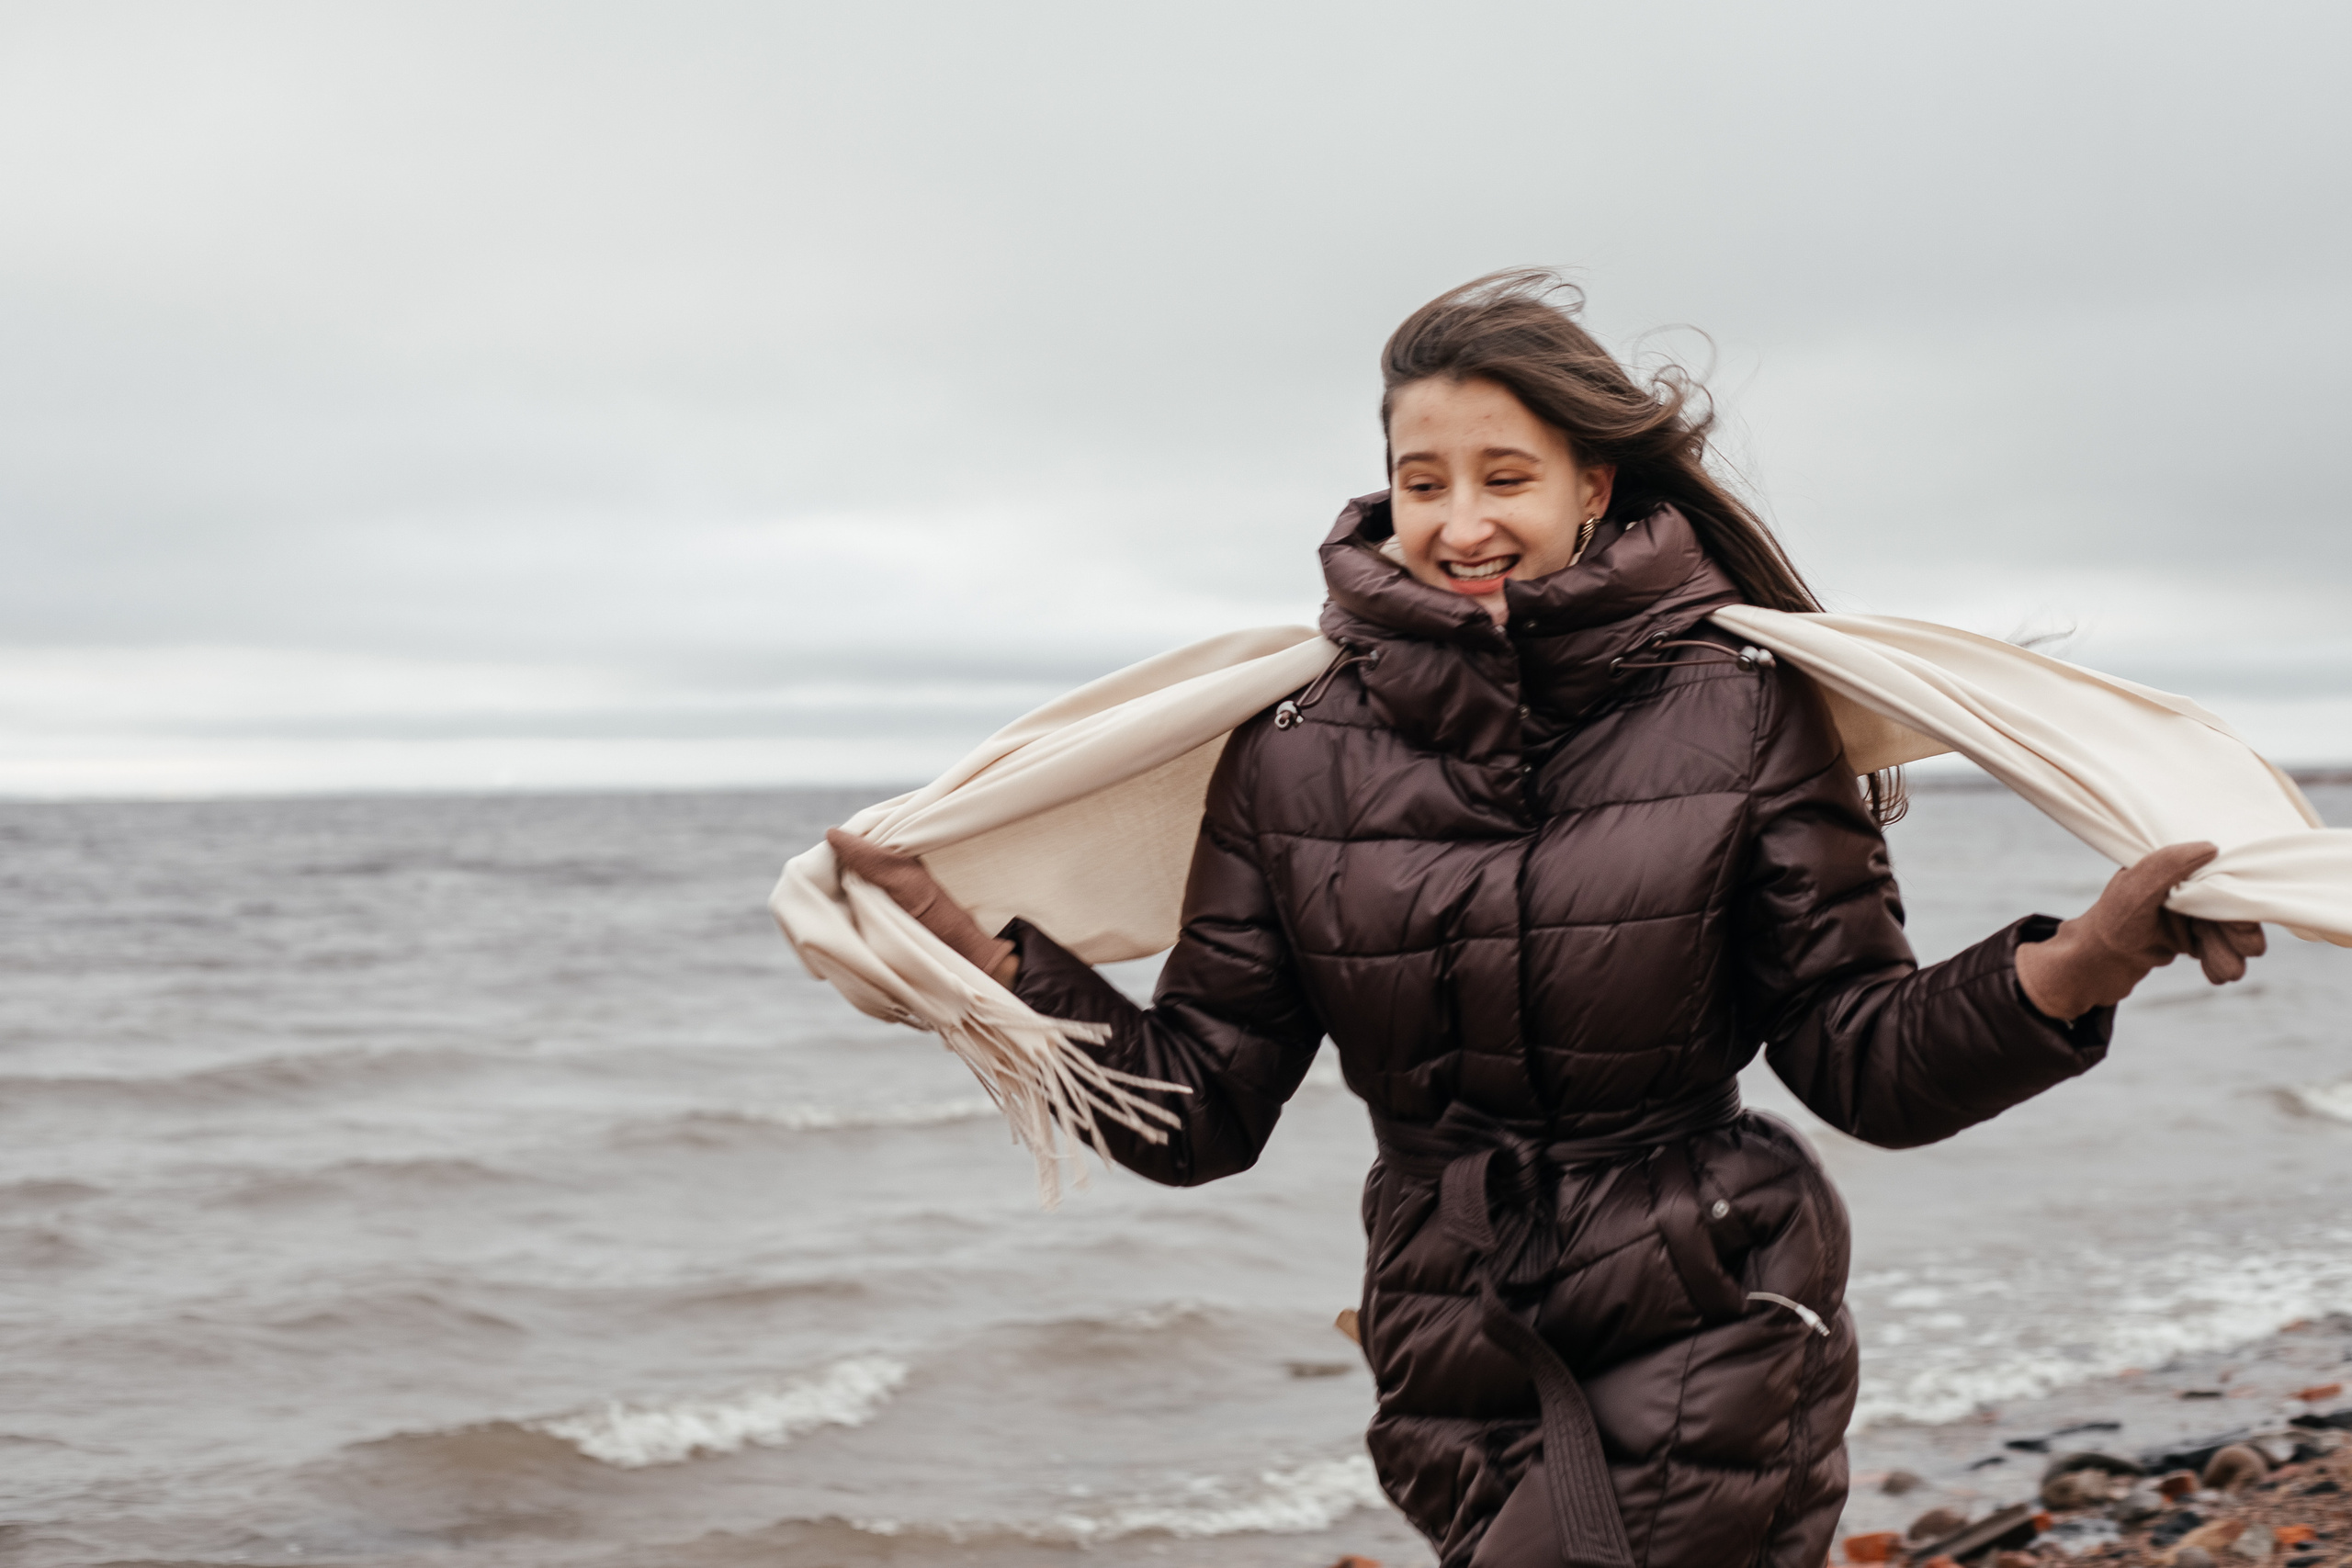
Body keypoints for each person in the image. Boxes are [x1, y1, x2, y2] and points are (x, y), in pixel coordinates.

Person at [826, 270, 2267, 1567]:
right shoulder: (1289, 751)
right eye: (1421, 479)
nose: (1459, 523)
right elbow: (1203, 1111)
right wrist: (984, 964)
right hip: (1448, 1347)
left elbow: (1855, 1059)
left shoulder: (1740, 709)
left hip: (1714, 1306)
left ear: (1593, 487)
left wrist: (2078, 965)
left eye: (1503, 475)